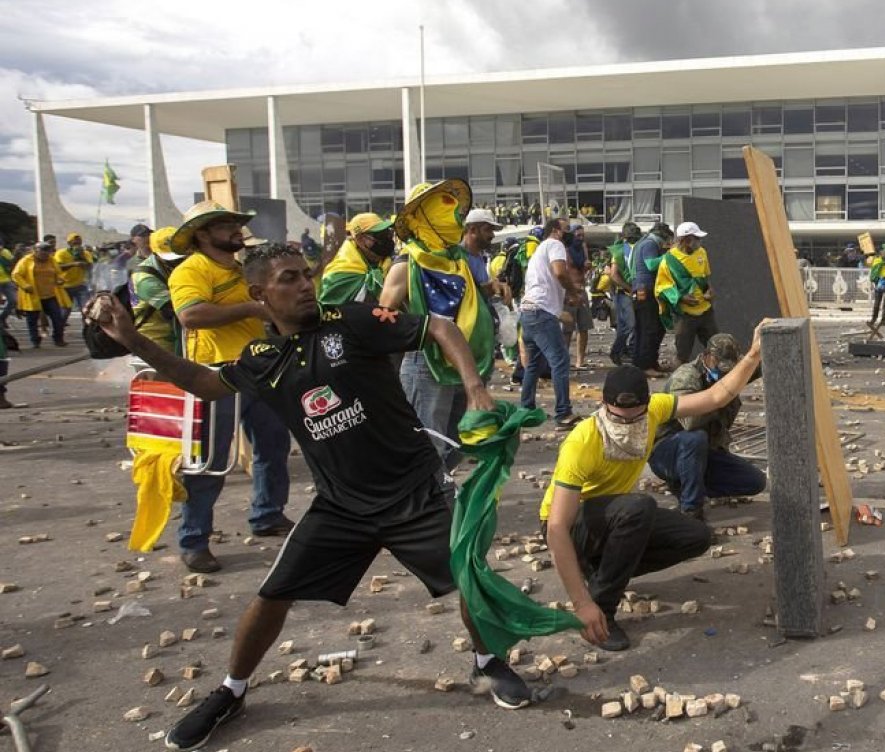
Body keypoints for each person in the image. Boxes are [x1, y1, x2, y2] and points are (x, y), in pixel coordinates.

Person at [89, 248, 559, 752]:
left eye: (307, 276)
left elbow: (440, 328)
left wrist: (474, 387)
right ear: (259, 295)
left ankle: (488, 662)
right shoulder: (261, 360)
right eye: (290, 279)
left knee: (469, 578)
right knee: (271, 596)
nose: (306, 285)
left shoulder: (354, 321)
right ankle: (232, 690)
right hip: (341, 507)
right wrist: (134, 339)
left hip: (414, 493)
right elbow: (204, 383)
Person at [542, 344, 764, 652]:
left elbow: (715, 397)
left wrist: (754, 354)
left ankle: (601, 572)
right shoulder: (582, 442)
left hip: (613, 516)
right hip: (571, 526)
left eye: (636, 418)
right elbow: (555, 527)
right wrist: (581, 603)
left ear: (648, 406)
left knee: (696, 535)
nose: (628, 426)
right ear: (604, 406)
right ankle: (601, 610)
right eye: (619, 418)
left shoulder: (657, 409)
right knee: (638, 507)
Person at [168, 201, 295, 572]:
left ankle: (268, 514)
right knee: (210, 460)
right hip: (214, 374)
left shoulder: (241, 270)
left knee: (273, 444)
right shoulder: (192, 270)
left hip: (257, 367)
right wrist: (253, 311)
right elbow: (191, 314)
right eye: (226, 226)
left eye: (236, 224)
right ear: (203, 234)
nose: (236, 230)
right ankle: (194, 538)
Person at [380, 180, 498, 473]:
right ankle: (427, 503)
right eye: (445, 208)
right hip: (426, 363)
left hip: (462, 362)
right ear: (425, 216)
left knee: (460, 440)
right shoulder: (407, 264)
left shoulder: (456, 261)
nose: (456, 216)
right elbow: (382, 320)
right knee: (428, 445)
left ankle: (434, 489)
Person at [648, 334, 766, 520]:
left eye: (731, 370)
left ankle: (689, 484)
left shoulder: (727, 372)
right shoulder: (686, 376)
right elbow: (690, 422)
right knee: (695, 438)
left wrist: (765, 343)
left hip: (705, 452)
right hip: (669, 450)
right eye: (722, 368)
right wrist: (719, 396)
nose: (726, 375)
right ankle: (691, 511)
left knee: (754, 482)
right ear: (707, 356)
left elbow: (756, 366)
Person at [518, 216, 585, 428]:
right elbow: (559, 272)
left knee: (534, 364)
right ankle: (563, 413)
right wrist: (574, 292)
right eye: (567, 229)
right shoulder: (555, 244)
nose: (570, 234)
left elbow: (546, 283)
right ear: (556, 230)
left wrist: (565, 298)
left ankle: (526, 409)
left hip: (528, 311)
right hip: (540, 312)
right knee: (560, 360)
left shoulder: (539, 250)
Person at [655, 221, 717, 366]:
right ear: (686, 240)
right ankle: (679, 383)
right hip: (685, 315)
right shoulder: (669, 260)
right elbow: (662, 288)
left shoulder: (702, 252)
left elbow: (704, 277)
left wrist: (710, 290)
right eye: (697, 239)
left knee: (716, 348)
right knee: (682, 353)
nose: (700, 242)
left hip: (705, 311)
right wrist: (682, 298)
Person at [318, 213, 395, 306]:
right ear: (360, 239)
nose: (386, 239)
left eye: (388, 233)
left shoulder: (388, 261)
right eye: (380, 235)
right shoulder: (341, 271)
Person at [128, 226, 184, 352]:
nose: (178, 262)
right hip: (156, 341)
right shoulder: (144, 278)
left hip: (175, 336)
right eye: (171, 259)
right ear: (155, 253)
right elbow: (178, 308)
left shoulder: (169, 268)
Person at [629, 222, 671, 375]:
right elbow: (651, 265)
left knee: (646, 328)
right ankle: (646, 365)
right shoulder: (650, 244)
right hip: (646, 289)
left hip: (641, 289)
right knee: (650, 328)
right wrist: (669, 255)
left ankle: (645, 362)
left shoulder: (644, 243)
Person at [13, 242, 70, 347]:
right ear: (35, 251)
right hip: (33, 295)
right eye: (42, 251)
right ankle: (35, 340)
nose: (45, 254)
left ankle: (58, 338)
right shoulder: (26, 261)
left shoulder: (51, 260)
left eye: (47, 251)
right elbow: (16, 275)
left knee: (57, 318)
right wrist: (25, 286)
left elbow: (58, 273)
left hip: (50, 295)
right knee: (32, 320)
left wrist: (60, 280)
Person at [604, 223, 640, 366]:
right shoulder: (618, 252)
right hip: (623, 293)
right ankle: (617, 351)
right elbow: (613, 274)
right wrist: (628, 288)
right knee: (628, 325)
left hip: (628, 292)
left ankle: (626, 352)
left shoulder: (631, 250)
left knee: (629, 326)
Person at [562, 224, 594, 369]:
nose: (581, 238)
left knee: (584, 326)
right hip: (569, 292)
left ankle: (580, 360)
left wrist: (586, 265)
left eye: (582, 235)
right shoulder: (566, 250)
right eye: (578, 235)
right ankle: (564, 359)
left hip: (581, 290)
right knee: (567, 329)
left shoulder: (582, 249)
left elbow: (585, 268)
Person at [54, 232, 93, 312]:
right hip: (65, 285)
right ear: (69, 243)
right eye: (75, 242)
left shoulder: (86, 253)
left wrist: (82, 257)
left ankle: (87, 324)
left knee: (86, 309)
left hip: (81, 285)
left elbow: (90, 267)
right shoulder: (61, 253)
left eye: (79, 242)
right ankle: (59, 324)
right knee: (65, 310)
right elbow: (58, 267)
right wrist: (73, 264)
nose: (77, 244)